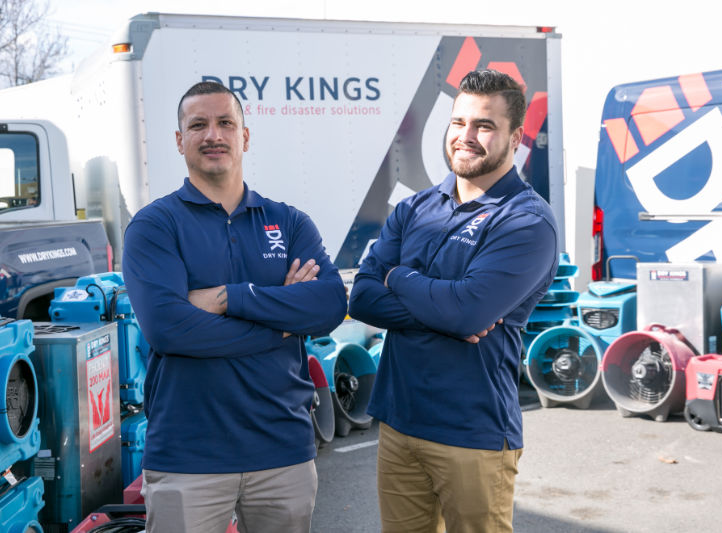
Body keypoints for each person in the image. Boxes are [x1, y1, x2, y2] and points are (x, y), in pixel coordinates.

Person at [122, 81, 347, 533]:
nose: (213, 135)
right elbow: (169, 330)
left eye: (226, 123)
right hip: (188, 455)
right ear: (179, 140)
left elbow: (329, 304)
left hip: (282, 450)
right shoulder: (154, 226)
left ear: (245, 136)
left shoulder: (289, 222)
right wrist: (282, 322)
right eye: (198, 125)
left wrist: (230, 299)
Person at [348, 69, 559, 533]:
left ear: (515, 136)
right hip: (399, 423)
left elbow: (467, 310)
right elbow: (362, 297)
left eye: (484, 125)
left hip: (473, 433)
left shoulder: (526, 221)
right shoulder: (414, 208)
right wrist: (450, 312)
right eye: (458, 122)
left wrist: (399, 276)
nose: (466, 136)